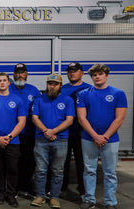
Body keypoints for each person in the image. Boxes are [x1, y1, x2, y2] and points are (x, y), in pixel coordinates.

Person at [77, 64, 127, 209]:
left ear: (106, 75)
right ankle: (89, 200)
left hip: (110, 140)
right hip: (88, 138)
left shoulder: (118, 93)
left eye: (100, 74)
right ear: (91, 77)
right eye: (94, 75)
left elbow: (119, 118)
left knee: (110, 172)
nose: (97, 77)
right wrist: (95, 136)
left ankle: (110, 202)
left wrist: (104, 137)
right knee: (89, 170)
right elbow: (82, 118)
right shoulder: (84, 94)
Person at [30, 73, 74, 209]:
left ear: (60, 85)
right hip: (41, 139)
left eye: (55, 84)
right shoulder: (39, 99)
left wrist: (53, 131)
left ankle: (54, 197)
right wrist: (46, 131)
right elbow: (34, 118)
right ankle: (40, 196)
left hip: (60, 140)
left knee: (58, 170)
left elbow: (69, 120)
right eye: (50, 84)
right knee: (40, 170)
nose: (52, 86)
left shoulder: (67, 100)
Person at [0, 72, 26, 207]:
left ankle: (11, 195)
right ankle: (1, 193)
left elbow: (21, 121)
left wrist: (9, 137)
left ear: (9, 83)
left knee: (12, 169)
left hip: (12, 142)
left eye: (4, 80)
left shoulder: (18, 100)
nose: (2, 83)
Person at [60, 62, 91, 198]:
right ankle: (62, 188)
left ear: (82, 73)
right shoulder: (61, 89)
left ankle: (83, 190)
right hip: (64, 132)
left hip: (82, 133)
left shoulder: (89, 89)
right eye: (69, 71)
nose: (72, 73)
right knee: (62, 163)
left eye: (75, 71)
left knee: (82, 163)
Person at [9, 63, 41, 198]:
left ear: (26, 74)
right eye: (17, 72)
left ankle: (27, 187)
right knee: (13, 163)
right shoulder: (7, 89)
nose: (19, 75)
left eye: (22, 72)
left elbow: (40, 110)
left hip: (29, 133)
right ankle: (13, 189)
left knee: (29, 162)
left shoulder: (34, 90)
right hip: (12, 134)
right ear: (13, 75)